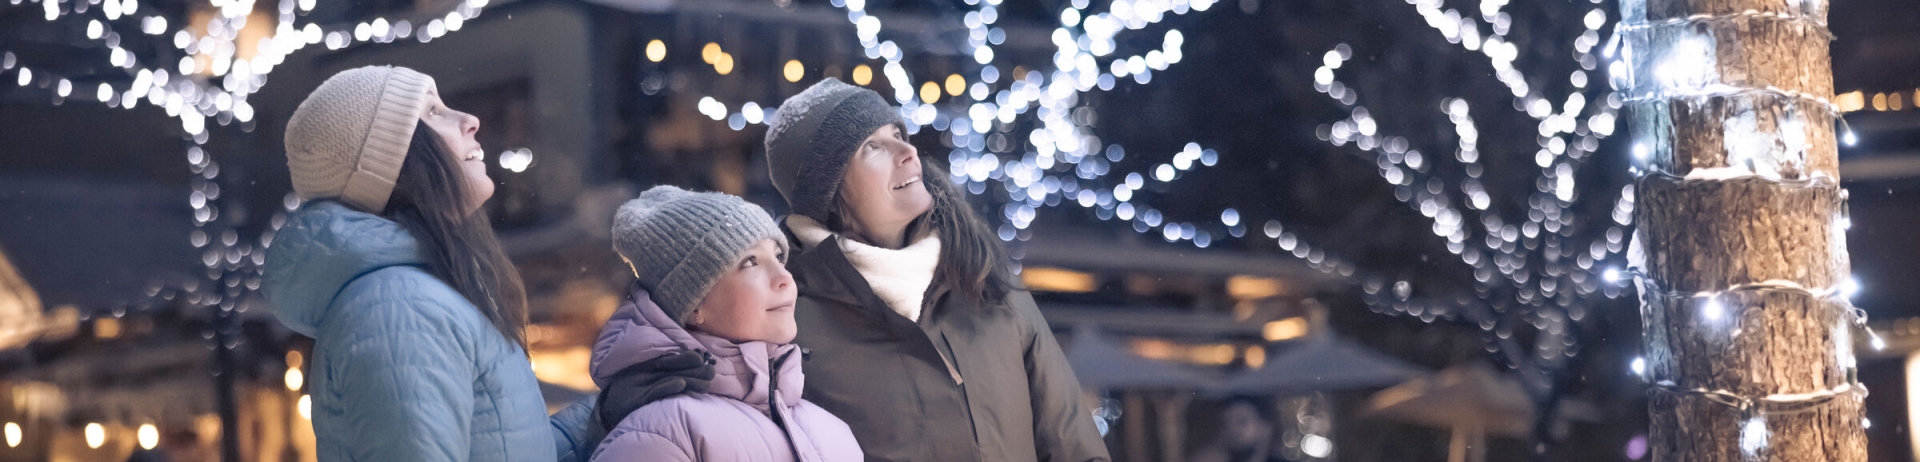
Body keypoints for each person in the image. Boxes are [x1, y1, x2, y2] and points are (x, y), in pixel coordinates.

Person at [263, 65, 603, 462]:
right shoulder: (399, 308)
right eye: (432, 112)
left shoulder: (417, 293)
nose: (470, 121)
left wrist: (615, 411)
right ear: (390, 162)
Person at [761, 78, 1110, 461]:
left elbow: (1073, 445)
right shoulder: (785, 321)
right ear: (825, 190)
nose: (907, 151)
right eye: (872, 147)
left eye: (897, 133)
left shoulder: (984, 280)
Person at [587, 186, 862, 461]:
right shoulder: (662, 437)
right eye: (750, 262)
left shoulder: (834, 433)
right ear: (694, 305)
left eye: (779, 257)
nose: (784, 278)